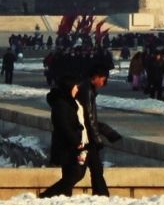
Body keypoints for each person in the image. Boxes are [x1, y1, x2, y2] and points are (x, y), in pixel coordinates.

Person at [38, 62, 122, 197]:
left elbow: (84, 119)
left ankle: (99, 195)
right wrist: (88, 138)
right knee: (77, 173)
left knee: (88, 170)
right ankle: (50, 195)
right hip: (79, 140)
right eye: (103, 79)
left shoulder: (77, 97)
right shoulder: (75, 98)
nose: (77, 89)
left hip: (83, 138)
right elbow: (83, 121)